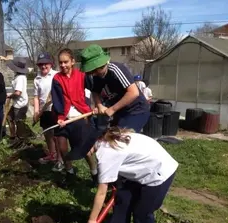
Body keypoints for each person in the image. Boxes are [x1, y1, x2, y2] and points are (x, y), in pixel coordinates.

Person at [66, 126, 178, 223]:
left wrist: (92, 220)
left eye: (83, 151)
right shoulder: (107, 138)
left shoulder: (106, 153)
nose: (86, 154)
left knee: (142, 211)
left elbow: (101, 193)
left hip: (159, 172)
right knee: (122, 200)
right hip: (144, 166)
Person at [51, 48, 98, 183]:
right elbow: (57, 99)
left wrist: (97, 106)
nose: (63, 65)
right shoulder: (57, 78)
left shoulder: (82, 75)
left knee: (85, 149)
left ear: (73, 62)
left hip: (80, 116)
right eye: (60, 63)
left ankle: (94, 173)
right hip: (63, 118)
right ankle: (70, 172)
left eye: (66, 62)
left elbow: (95, 90)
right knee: (62, 147)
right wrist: (60, 117)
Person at [80, 44, 150, 133]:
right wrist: (99, 105)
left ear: (101, 64)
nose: (93, 74)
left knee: (121, 139)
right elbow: (95, 91)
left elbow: (133, 92)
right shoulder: (96, 76)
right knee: (110, 138)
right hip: (120, 112)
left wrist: (112, 109)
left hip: (136, 110)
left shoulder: (115, 69)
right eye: (90, 72)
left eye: (94, 70)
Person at [33, 52, 62, 165]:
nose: (43, 66)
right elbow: (36, 97)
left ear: (51, 64)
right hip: (43, 111)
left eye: (46, 64)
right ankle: (52, 154)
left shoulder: (57, 75)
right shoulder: (37, 79)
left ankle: (60, 158)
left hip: (55, 109)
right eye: (41, 64)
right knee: (47, 133)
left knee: (56, 135)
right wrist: (36, 112)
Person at [6, 57, 29, 142]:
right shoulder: (19, 76)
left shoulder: (20, 78)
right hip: (17, 103)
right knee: (9, 117)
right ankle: (13, 136)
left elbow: (18, 93)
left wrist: (10, 96)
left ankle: (22, 140)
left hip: (20, 105)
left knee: (19, 123)